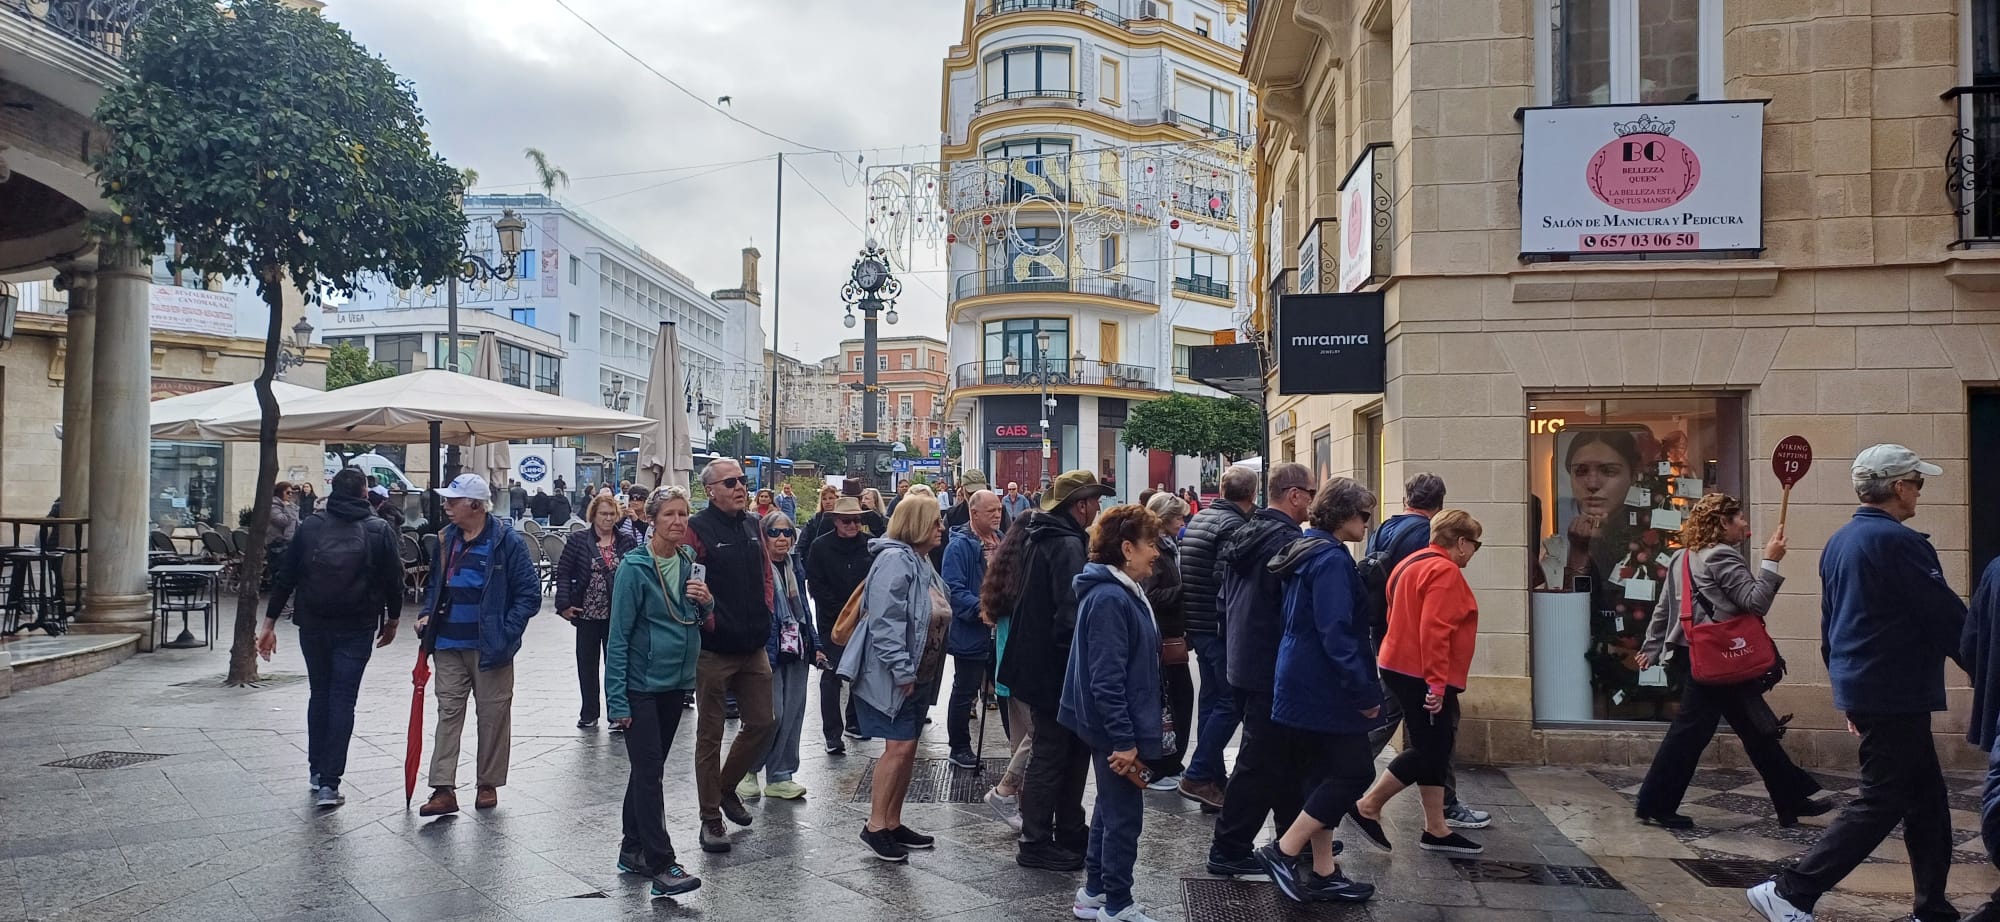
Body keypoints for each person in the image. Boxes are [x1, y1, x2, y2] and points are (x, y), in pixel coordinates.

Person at [1748, 445, 1967, 922]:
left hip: (1870, 687)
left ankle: (1933, 908)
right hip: (1894, 692)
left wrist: (1846, 692)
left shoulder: (1841, 541)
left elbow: (1832, 625)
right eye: (1918, 483)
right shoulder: (1900, 543)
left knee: (1926, 801)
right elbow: (1947, 619)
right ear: (1900, 486)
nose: (1919, 494)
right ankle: (1792, 891)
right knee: (1882, 798)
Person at [1633, 493, 1827, 829]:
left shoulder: (1682, 557)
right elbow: (1756, 603)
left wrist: (1652, 647)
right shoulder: (1722, 555)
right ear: (1723, 523)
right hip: (1719, 658)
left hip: (1695, 654)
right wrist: (1771, 561)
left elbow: (1665, 609)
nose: (1745, 523)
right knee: (1694, 732)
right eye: (1739, 517)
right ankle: (1656, 804)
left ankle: (1791, 800)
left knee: (1755, 727)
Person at [1257, 478, 1382, 903]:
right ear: (1345, 514)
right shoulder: (1330, 559)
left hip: (1299, 679)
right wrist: (1365, 694)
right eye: (1364, 515)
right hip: (1324, 684)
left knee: (1320, 774)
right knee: (1354, 772)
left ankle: (1325, 871)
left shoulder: (1308, 549)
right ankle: (1283, 850)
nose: (1367, 523)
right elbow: (1337, 634)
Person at [256, 467, 404, 808]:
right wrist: (393, 620)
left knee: (319, 694)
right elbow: (394, 581)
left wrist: (269, 623)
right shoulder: (378, 529)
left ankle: (315, 769)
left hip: (314, 623)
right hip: (357, 625)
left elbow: (286, 576)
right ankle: (330, 782)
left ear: (332, 491)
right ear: (365, 493)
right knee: (342, 699)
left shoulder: (311, 526)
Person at [1350, 509, 1487, 855]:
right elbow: (1436, 631)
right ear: (1460, 542)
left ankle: (1436, 827)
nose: (1474, 551)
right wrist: (1437, 685)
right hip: (1422, 673)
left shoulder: (1410, 563)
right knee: (1430, 749)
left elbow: (1394, 611)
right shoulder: (1444, 571)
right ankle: (1368, 806)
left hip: (1398, 665)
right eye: (1475, 544)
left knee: (1433, 747)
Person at [1000, 470, 1114, 871]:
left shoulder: (1042, 535)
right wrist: (1079, 666)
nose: (1098, 508)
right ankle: (1036, 841)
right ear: (1079, 505)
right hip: (1053, 668)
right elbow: (1070, 613)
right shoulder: (1065, 543)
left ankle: (1068, 829)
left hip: (1038, 664)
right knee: (1052, 753)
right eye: (1094, 501)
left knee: (1068, 750)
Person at [1206, 462, 1314, 876]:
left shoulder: (1246, 532)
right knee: (1261, 760)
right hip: (1270, 666)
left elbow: (1223, 600)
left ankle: (1294, 838)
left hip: (1244, 659)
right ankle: (1229, 849)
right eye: (1310, 491)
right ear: (1295, 495)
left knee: (1284, 757)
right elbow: (1291, 612)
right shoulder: (1285, 541)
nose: (1312, 500)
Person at [1062, 505, 1166, 922]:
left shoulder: (1117, 591)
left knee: (1110, 807)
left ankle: (1095, 892)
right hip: (1115, 727)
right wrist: (1124, 740)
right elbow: (1106, 679)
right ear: (1127, 548)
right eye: (1151, 544)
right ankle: (1118, 904)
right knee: (1124, 817)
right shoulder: (1109, 597)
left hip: (1115, 724)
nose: (1156, 553)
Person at [416, 473, 542, 817]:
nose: (446, 506)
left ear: (474, 505)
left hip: (491, 646)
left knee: (493, 716)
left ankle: (487, 783)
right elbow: (435, 587)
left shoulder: (506, 541)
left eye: (452, 501)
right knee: (448, 713)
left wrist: (506, 632)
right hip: (447, 642)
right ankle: (443, 788)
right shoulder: (446, 539)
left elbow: (528, 595)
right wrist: (427, 613)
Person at [606, 486, 707, 899]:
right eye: (670, 515)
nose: (679, 522)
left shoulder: (688, 561)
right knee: (650, 775)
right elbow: (617, 637)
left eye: (684, 514)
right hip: (641, 686)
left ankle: (632, 849)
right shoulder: (634, 568)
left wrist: (707, 602)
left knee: (647, 771)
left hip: (675, 683)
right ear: (651, 519)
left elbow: (693, 617)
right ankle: (663, 865)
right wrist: (616, 699)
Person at [838, 493, 951, 862]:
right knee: (897, 748)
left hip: (920, 670)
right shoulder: (894, 560)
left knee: (908, 748)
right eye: (935, 521)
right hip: (897, 673)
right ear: (917, 524)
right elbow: (887, 623)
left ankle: (892, 821)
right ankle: (875, 825)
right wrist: (903, 669)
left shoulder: (918, 559)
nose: (941, 528)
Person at [684, 458, 778, 853]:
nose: (741, 487)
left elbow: (766, 574)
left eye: (742, 480)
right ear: (711, 490)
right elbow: (687, 582)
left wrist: (767, 611)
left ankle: (724, 787)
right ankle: (710, 819)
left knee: (763, 722)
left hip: (753, 644)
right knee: (710, 734)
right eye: (731, 482)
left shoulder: (752, 524)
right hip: (715, 648)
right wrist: (707, 623)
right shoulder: (697, 529)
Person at [1176, 465, 1256, 813]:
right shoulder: (1232, 525)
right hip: (1219, 627)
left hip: (1199, 623)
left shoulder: (1203, 519)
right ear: (1252, 495)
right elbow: (1226, 580)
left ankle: (1210, 782)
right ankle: (1198, 774)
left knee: (1211, 700)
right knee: (1230, 702)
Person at [737, 510, 825, 801]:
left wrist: (815, 644)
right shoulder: (753, 565)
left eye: (788, 532)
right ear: (763, 536)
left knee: (793, 713)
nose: (783, 538)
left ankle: (781, 774)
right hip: (766, 648)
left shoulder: (794, 565)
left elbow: (803, 610)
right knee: (768, 714)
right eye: (775, 532)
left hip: (796, 647)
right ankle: (747, 770)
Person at [556, 493, 639, 731]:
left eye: (612, 514)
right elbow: (564, 572)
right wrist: (563, 604)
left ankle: (617, 713)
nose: (608, 518)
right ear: (594, 515)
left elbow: (635, 575)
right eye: (603, 514)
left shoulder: (626, 541)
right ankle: (589, 712)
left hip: (617, 614)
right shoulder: (578, 540)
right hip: (587, 612)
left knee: (617, 665)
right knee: (587, 665)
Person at [980, 507, 1040, 831]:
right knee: (1037, 736)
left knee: (1020, 740)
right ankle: (1008, 791)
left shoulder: (1003, 567)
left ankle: (1021, 806)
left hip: (1006, 667)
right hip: (1023, 666)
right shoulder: (1028, 570)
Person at [942, 489, 1004, 770]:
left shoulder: (1002, 540)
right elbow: (953, 590)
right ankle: (959, 746)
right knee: (964, 689)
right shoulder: (960, 546)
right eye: (990, 510)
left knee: (1003, 689)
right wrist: (981, 609)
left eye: (999, 509)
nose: (997, 514)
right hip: (971, 630)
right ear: (973, 513)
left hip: (1001, 631)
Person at [807, 491, 873, 751]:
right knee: (831, 676)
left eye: (857, 520)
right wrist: (842, 611)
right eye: (847, 521)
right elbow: (816, 584)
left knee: (861, 673)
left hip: (864, 619)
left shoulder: (869, 544)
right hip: (831, 621)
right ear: (835, 521)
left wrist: (862, 611)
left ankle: (855, 722)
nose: (853, 526)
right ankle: (832, 734)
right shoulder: (820, 546)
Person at [1139, 492, 1190, 787]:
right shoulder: (1156, 550)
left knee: (1179, 701)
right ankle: (1161, 765)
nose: (1183, 522)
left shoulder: (1168, 547)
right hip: (1162, 637)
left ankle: (1172, 762)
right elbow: (1150, 595)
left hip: (1170, 635)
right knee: (1171, 702)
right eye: (1179, 517)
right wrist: (1182, 591)